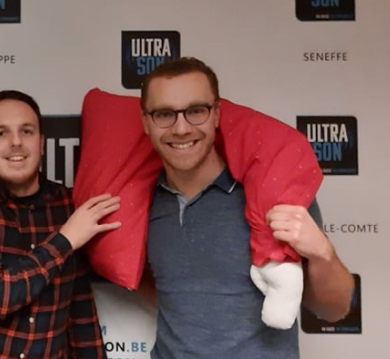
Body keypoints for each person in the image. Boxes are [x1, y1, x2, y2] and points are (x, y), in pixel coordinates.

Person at [140, 57, 354, 358]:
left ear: (217, 114)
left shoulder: (271, 195)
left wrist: (322, 253)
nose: (181, 128)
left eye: (196, 111)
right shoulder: (141, 202)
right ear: (145, 122)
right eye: (164, 114)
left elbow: (334, 310)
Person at [0, 90, 119, 359]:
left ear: (42, 143)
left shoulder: (67, 204)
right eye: (1, 133)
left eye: (26, 131)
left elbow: (80, 311)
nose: (16, 142)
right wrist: (65, 240)